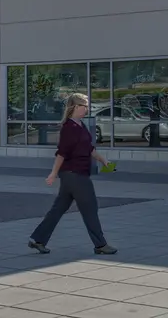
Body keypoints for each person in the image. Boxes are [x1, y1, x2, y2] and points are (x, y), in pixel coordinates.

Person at [28, 93, 118, 255]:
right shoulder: (69, 128)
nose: (87, 109)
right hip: (75, 174)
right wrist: (53, 174)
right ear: (75, 107)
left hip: (74, 175)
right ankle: (100, 245)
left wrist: (104, 161)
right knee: (90, 208)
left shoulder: (80, 125)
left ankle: (38, 239)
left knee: (58, 208)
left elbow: (89, 148)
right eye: (84, 106)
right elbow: (61, 153)